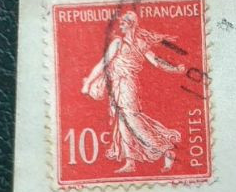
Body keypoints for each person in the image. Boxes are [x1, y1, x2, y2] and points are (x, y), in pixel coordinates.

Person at [80, 11, 187, 174]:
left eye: (123, 22)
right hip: (116, 85)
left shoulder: (138, 44)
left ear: (130, 24)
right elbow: (103, 63)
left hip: (128, 85)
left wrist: (175, 69)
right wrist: (88, 82)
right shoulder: (118, 42)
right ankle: (130, 162)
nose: (120, 25)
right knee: (123, 123)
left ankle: (165, 149)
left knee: (132, 120)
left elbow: (156, 62)